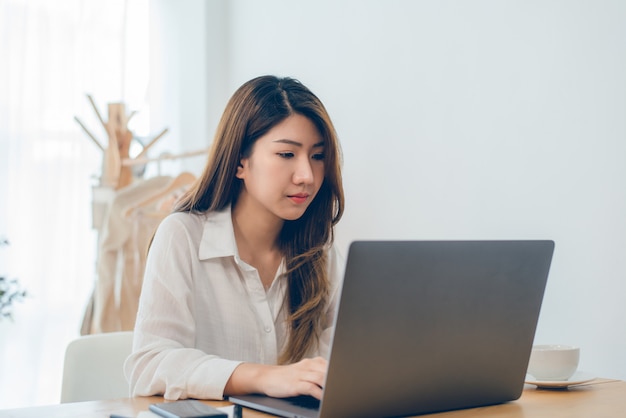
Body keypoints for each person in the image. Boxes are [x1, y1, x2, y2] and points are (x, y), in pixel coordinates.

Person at [124, 75, 345, 402]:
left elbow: (337, 365)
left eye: (317, 156)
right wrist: (264, 377)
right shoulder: (183, 236)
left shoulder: (320, 251)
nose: (307, 176)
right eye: (287, 154)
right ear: (241, 161)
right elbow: (150, 364)